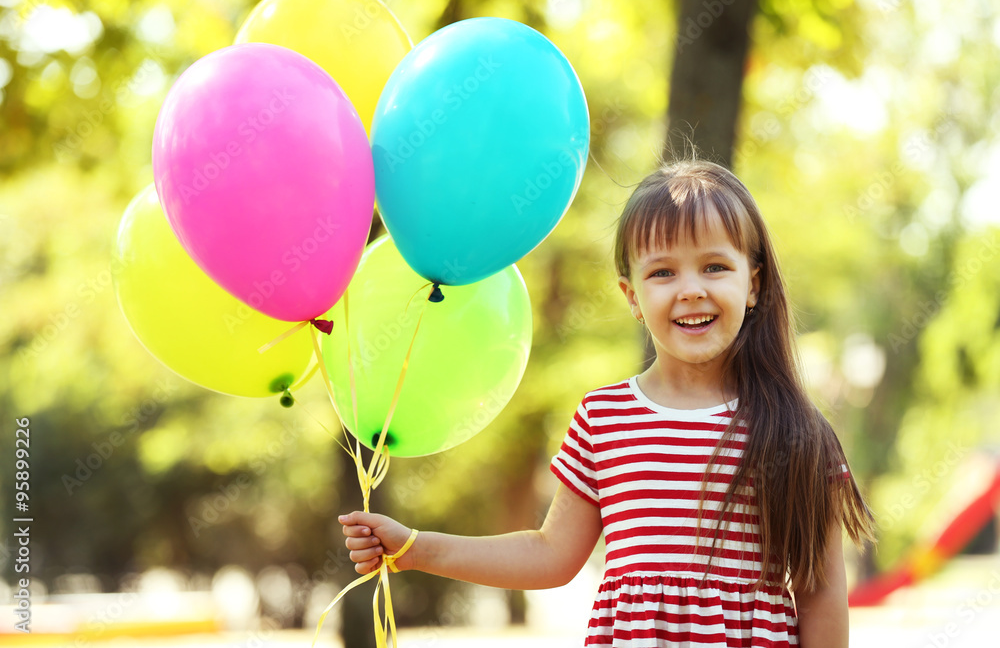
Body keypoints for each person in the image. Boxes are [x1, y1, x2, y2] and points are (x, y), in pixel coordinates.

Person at [339, 159, 876, 647]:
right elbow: (550, 554)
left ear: (753, 284)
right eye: (662, 272)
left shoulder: (796, 431)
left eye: (715, 267)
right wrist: (415, 547)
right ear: (632, 297)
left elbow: (821, 593)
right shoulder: (604, 419)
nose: (689, 289)